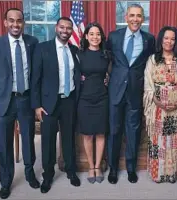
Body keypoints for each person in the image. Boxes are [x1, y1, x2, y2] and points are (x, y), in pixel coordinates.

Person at [0, 8, 39, 199]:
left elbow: (36, 75)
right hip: (4, 102)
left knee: (28, 140)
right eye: (12, 21)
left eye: (19, 21)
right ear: (5, 22)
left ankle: (30, 173)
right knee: (4, 143)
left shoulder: (33, 42)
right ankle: (6, 182)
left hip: (26, 100)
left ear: (23, 23)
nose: (16, 24)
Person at [30, 17, 82, 193]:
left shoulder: (75, 50)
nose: (65, 30)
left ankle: (71, 171)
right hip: (48, 104)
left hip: (69, 101)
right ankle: (48, 175)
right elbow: (35, 79)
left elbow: (79, 74)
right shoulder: (42, 48)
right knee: (48, 141)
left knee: (69, 139)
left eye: (68, 28)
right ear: (56, 28)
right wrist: (36, 105)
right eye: (62, 27)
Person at [106, 3, 155, 184]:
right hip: (116, 92)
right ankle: (112, 168)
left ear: (143, 19)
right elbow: (106, 57)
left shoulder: (149, 39)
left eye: (139, 16)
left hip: (136, 92)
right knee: (114, 130)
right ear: (126, 17)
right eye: (132, 15)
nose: (135, 19)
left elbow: (152, 62)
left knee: (133, 132)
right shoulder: (113, 37)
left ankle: (131, 168)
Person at [143, 26, 177, 183]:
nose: (169, 41)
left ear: (176, 41)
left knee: (173, 140)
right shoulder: (153, 59)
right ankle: (158, 173)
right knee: (159, 141)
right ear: (161, 40)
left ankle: (171, 173)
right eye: (166, 38)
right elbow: (148, 84)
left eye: (172, 38)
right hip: (158, 109)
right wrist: (156, 100)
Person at [76, 22, 111, 184]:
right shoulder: (79, 54)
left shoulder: (107, 54)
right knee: (88, 134)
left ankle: (98, 166)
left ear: (101, 37)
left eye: (98, 34)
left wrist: (108, 79)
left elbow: (113, 73)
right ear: (86, 36)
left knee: (101, 133)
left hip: (103, 97)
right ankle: (90, 166)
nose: (95, 37)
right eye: (92, 34)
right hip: (84, 98)